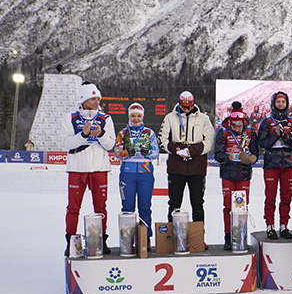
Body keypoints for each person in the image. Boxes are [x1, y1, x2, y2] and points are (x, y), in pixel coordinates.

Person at [62, 82, 115, 256]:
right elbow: (66, 144)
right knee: (73, 208)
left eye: (98, 98)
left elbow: (110, 144)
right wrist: (83, 135)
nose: (96, 102)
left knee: (101, 207)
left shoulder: (105, 118)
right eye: (92, 98)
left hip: (99, 168)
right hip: (77, 168)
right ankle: (70, 241)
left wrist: (100, 134)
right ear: (84, 99)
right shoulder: (70, 117)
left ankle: (101, 240)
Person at [159, 91, 216, 242]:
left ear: (193, 104)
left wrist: (191, 150)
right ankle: (171, 238)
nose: (185, 110)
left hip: (197, 166)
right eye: (183, 107)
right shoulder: (170, 117)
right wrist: (176, 149)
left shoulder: (203, 118)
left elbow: (209, 140)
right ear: (179, 103)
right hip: (176, 167)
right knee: (174, 203)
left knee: (197, 203)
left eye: (188, 107)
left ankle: (198, 238)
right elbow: (162, 140)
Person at [257, 90, 292, 239]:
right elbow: (262, 143)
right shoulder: (266, 122)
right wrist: (276, 134)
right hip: (271, 164)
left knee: (286, 197)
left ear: (287, 104)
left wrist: (286, 137)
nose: (281, 104)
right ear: (273, 103)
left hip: (288, 164)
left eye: (283, 102)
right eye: (278, 102)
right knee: (270, 198)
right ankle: (270, 226)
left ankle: (284, 226)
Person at [113, 102, 159, 250]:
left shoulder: (149, 133)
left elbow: (156, 152)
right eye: (133, 115)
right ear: (129, 116)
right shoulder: (122, 133)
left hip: (145, 173)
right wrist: (127, 152)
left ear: (143, 116)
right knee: (127, 208)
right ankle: (128, 240)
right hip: (127, 173)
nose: (136, 119)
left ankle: (145, 238)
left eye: (139, 116)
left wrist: (148, 153)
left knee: (145, 207)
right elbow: (117, 152)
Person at [214, 101, 259, 250]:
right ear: (230, 123)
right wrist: (228, 158)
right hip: (228, 173)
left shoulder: (250, 133)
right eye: (234, 126)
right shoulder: (223, 132)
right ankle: (228, 238)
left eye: (240, 126)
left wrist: (252, 158)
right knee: (228, 206)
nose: (237, 129)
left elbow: (255, 152)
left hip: (244, 174)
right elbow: (218, 155)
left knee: (242, 207)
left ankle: (240, 237)